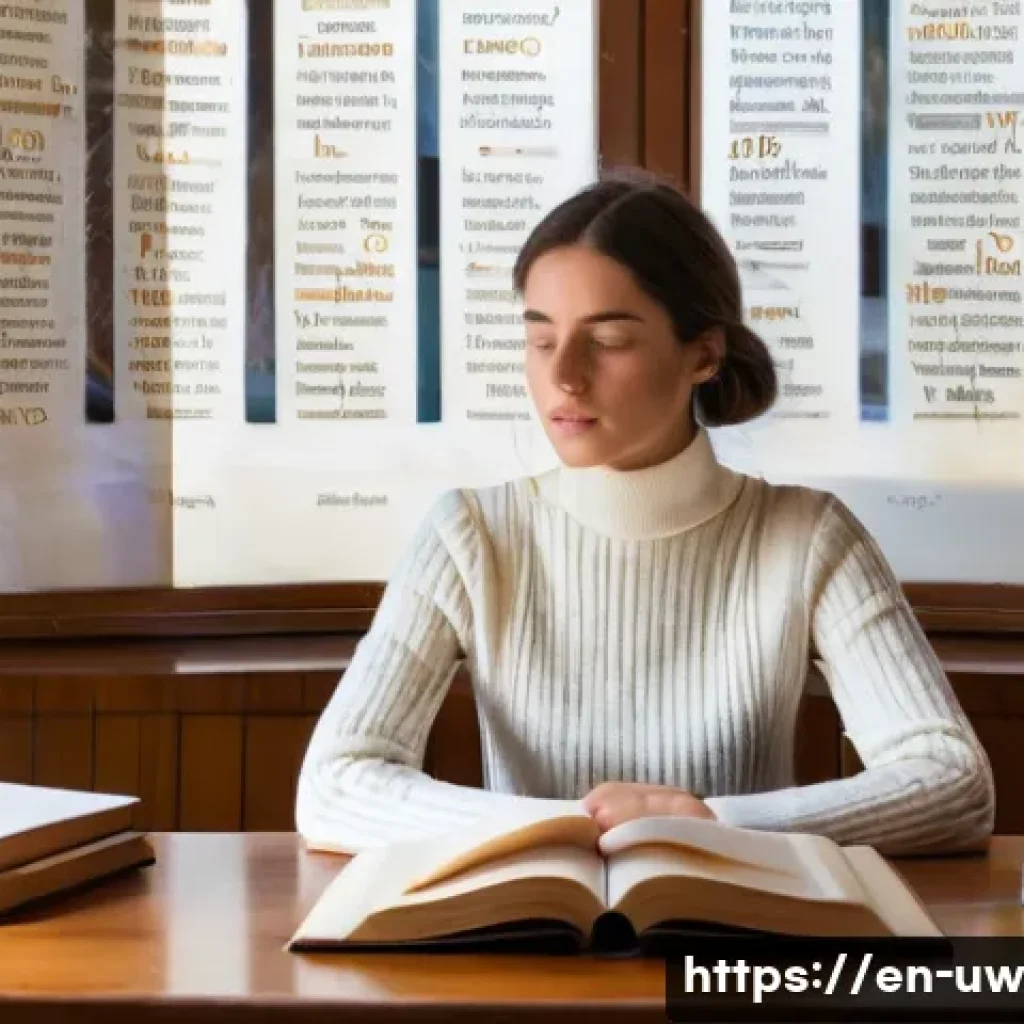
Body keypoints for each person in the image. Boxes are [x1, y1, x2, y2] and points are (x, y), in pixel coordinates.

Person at [296, 173, 995, 857]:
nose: (564, 375)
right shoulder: (470, 534)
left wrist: (711, 822)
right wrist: (562, 828)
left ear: (704, 354)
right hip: (528, 946)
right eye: (541, 340)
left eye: (607, 341)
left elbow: (954, 784)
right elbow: (333, 785)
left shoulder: (808, 536)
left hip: (735, 957)